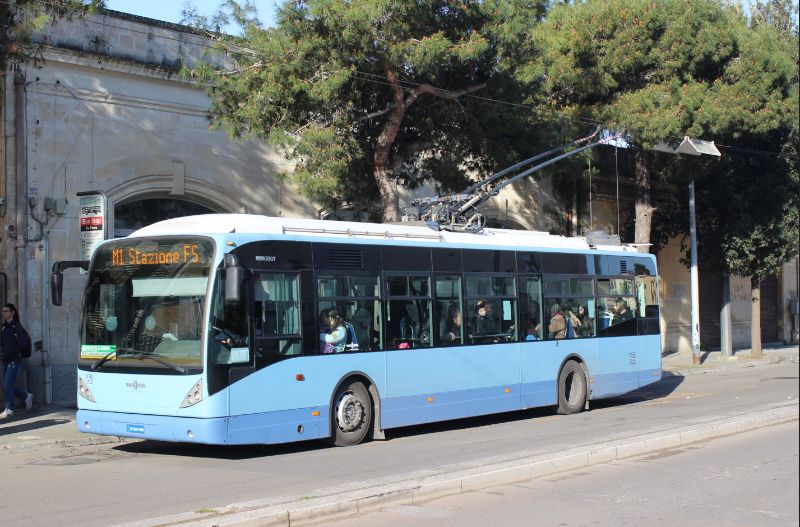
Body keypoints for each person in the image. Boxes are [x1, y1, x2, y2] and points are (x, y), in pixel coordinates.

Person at [1, 303, 33, 418]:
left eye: (6, 311)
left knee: (8, 384)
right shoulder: (3, 327)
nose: (4, 313)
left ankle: (9, 409)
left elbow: (24, 343)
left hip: (15, 360)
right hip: (5, 359)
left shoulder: (17, 326)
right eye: (3, 311)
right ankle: (26, 397)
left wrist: (13, 351)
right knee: (6, 385)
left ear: (12, 313)